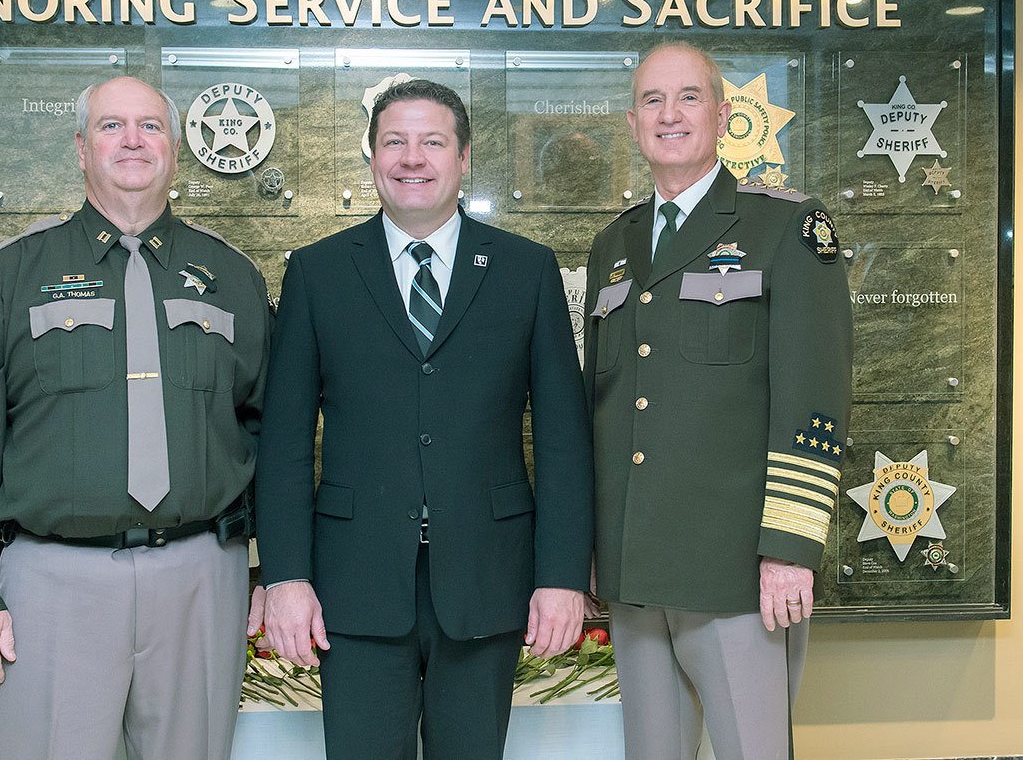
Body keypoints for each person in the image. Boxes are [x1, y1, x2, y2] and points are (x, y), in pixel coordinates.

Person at [254, 79, 594, 760]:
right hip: (354, 581)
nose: (412, 158)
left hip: (487, 578)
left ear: (463, 157)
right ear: (373, 157)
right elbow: (284, 441)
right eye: (395, 142)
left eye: (432, 142)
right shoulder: (318, 273)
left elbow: (563, 440)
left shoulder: (526, 269)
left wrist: (561, 576)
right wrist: (285, 576)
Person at [0, 76, 271, 760]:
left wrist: (272, 572)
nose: (132, 141)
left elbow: (270, 434)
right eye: (112, 125)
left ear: (175, 149)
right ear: (81, 148)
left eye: (151, 126)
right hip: (53, 580)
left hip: (200, 577)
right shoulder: (13, 272)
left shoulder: (234, 276)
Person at [584, 42, 851, 759]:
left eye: (688, 97)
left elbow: (815, 397)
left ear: (724, 116)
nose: (669, 114)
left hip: (737, 572)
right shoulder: (613, 243)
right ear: (633, 123)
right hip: (635, 573)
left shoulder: (784, 227)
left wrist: (789, 550)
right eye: (652, 100)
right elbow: (603, 409)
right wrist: (591, 549)